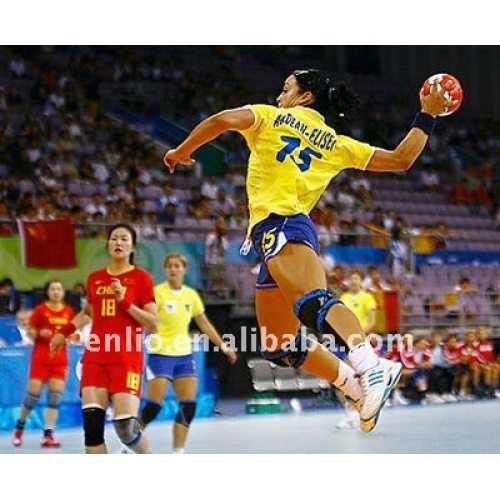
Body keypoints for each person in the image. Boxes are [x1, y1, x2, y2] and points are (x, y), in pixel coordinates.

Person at [163, 68, 454, 433]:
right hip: (280, 232)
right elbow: (401, 159)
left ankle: (371, 364)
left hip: (281, 223)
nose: (279, 94)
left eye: (286, 89)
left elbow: (222, 119)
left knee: (312, 301)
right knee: (280, 344)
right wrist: (426, 114)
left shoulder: (269, 116)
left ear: (304, 97)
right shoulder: (335, 143)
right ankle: (355, 386)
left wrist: (181, 150)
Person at [50, 224, 158, 454]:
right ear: (108, 244)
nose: (118, 242)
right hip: (96, 359)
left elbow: (152, 321)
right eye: (114, 238)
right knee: (92, 429)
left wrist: (124, 301)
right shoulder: (95, 278)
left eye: (124, 239)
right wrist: (63, 333)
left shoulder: (141, 278)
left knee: (125, 428)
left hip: (126, 359)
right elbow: (88, 312)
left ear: (132, 247)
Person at [137, 252, 237, 453]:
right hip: (160, 353)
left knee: (188, 406)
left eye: (177, 266)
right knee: (153, 407)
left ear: (184, 270)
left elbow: (204, 324)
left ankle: (178, 452)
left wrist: (224, 346)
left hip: (183, 355)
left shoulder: (191, 295)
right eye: (170, 266)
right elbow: (144, 318)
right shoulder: (157, 293)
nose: (173, 269)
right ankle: (128, 443)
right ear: (165, 269)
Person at [12, 280, 75, 448]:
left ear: (63, 292)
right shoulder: (41, 310)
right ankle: (19, 428)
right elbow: (30, 330)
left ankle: (48, 435)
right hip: (41, 359)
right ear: (47, 292)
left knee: (54, 399)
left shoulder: (69, 311)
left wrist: (70, 337)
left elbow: (70, 332)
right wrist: (40, 332)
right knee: (32, 398)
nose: (56, 292)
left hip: (60, 360)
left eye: (59, 289)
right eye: (53, 289)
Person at [335, 269, 377, 429]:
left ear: (361, 281)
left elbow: (372, 321)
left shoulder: (368, 298)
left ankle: (361, 411)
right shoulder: (343, 298)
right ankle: (349, 413)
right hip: (343, 341)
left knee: (361, 379)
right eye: (351, 278)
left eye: (356, 278)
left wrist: (358, 334)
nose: (353, 281)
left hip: (360, 341)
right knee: (343, 377)